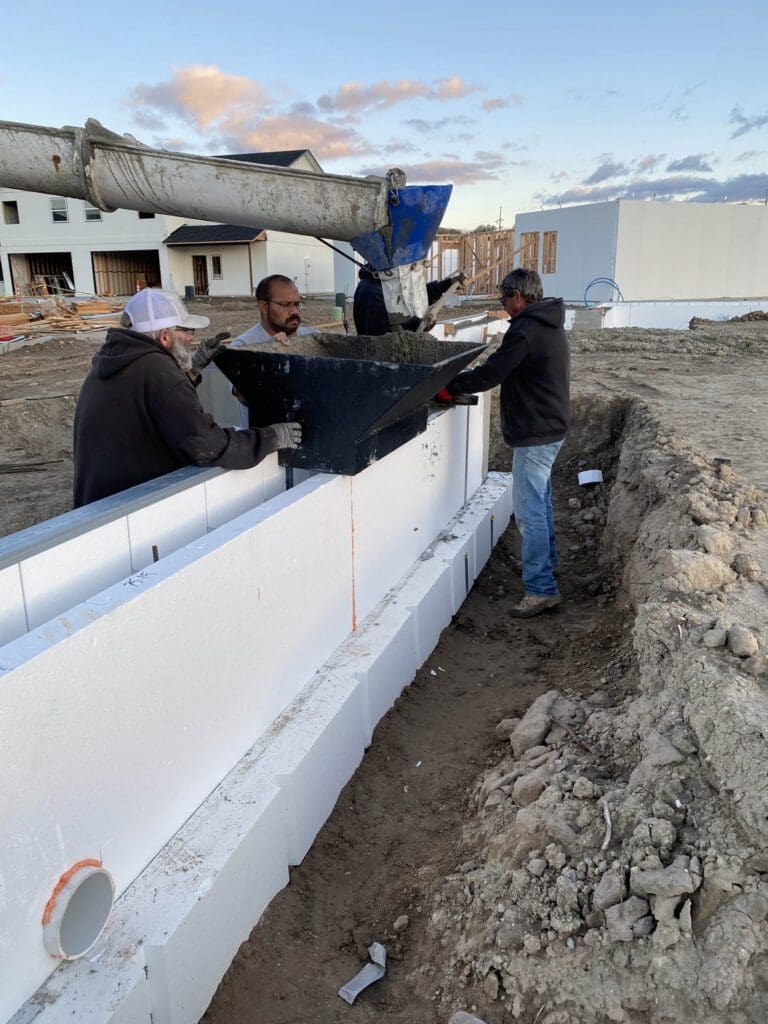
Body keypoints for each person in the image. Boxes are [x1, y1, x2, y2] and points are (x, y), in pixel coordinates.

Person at [73, 288, 301, 507]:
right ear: (164, 337)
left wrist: (192, 370)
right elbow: (207, 445)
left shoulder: (112, 361)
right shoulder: (159, 371)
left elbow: (158, 406)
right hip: (129, 511)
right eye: (186, 331)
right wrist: (270, 438)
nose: (191, 338)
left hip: (97, 505)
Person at [440, 268, 570, 618]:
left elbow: (493, 372)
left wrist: (451, 385)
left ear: (517, 296)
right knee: (539, 503)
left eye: (503, 299)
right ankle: (547, 566)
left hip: (536, 432)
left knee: (529, 512)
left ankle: (541, 588)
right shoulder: (548, 323)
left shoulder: (526, 330)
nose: (503, 305)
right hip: (549, 427)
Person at [228, 274, 319, 426]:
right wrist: (269, 355)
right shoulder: (243, 346)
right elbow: (243, 396)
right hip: (266, 443)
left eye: (297, 304)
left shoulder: (313, 337)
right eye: (286, 305)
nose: (294, 311)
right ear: (264, 306)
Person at [352, 266, 463, 335]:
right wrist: (416, 324)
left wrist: (445, 285)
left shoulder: (389, 281)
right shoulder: (371, 291)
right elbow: (382, 334)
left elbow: (415, 298)